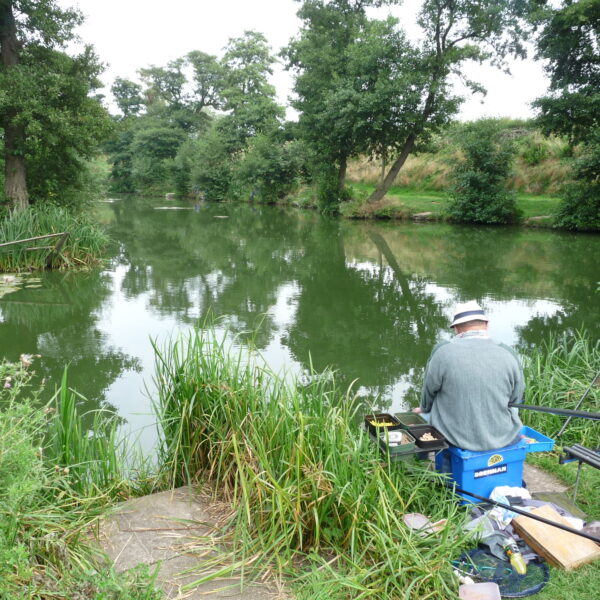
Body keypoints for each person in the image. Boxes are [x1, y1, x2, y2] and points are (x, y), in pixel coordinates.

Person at [413, 300, 524, 452]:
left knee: (420, 417)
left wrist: (424, 408)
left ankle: (425, 461)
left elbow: (429, 392)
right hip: (504, 437)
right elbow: (516, 399)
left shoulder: (442, 352)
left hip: (454, 438)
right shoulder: (508, 352)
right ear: (486, 324)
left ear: (456, 328)